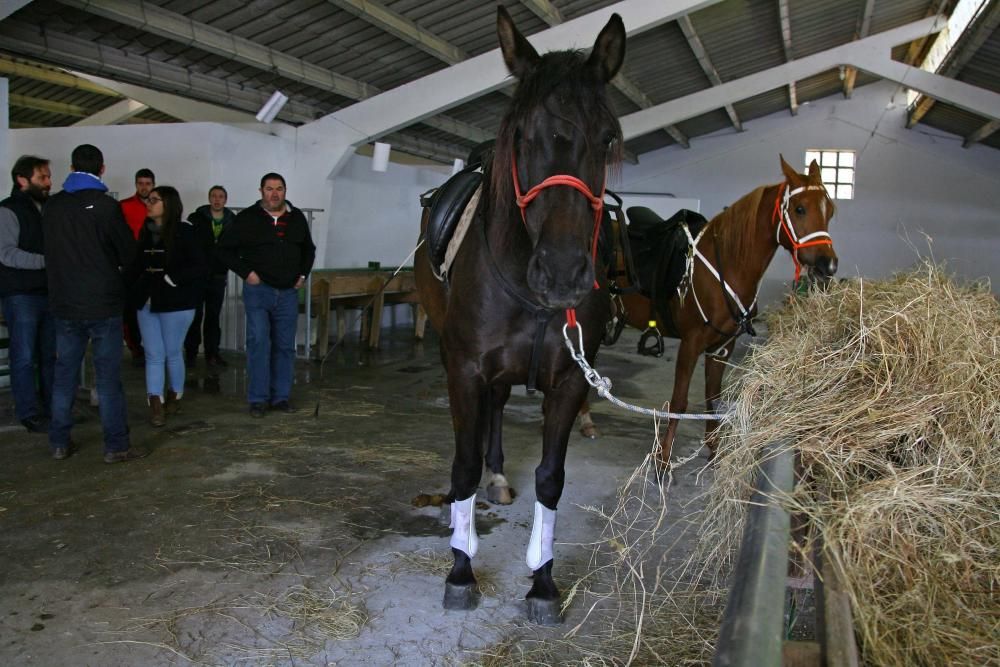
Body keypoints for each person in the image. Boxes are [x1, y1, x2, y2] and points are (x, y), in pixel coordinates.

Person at [42, 144, 145, 463]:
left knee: (64, 375)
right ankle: (116, 446)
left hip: (65, 303)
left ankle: (59, 442)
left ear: (71, 168)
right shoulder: (105, 206)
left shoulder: (53, 206)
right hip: (102, 303)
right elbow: (128, 253)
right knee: (107, 378)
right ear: (102, 169)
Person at [216, 172, 315, 418]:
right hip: (259, 291)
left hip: (288, 294)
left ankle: (280, 397)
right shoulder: (247, 219)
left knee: (284, 346)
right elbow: (224, 250)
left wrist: (303, 275)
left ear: (285, 190)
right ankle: (258, 399)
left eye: (279, 188)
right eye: (269, 189)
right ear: (261, 191)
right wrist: (246, 273)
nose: (274, 193)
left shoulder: (297, 218)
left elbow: (308, 250)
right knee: (259, 342)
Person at [127, 186, 208, 426]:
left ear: (168, 205)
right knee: (153, 354)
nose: (149, 204)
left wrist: (173, 278)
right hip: (147, 302)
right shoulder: (146, 231)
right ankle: (155, 402)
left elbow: (200, 266)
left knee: (172, 351)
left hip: (176, 303)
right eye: (148, 200)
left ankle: (175, 394)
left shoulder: (185, 232)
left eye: (154, 200)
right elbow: (136, 264)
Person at [0, 155, 56, 434]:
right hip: (21, 294)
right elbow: (7, 253)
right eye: (42, 177)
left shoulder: (47, 209)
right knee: (23, 357)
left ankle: (51, 408)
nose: (48, 182)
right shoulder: (8, 210)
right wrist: (48, 261)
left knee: (49, 355)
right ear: (22, 180)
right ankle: (29, 412)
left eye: (48, 176)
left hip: (49, 292)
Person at [184, 185, 235, 368]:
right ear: (209, 198)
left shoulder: (232, 221)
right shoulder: (196, 218)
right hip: (198, 275)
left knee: (213, 316)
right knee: (195, 316)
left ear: (225, 199)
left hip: (218, 275)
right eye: (213, 196)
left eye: (220, 196)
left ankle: (212, 353)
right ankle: (190, 352)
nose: (217, 199)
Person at [119, 168, 156, 366]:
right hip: (131, 265)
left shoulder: (159, 206)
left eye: (147, 183)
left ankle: (153, 348)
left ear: (153, 185)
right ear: (136, 184)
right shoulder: (124, 206)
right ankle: (135, 347)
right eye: (140, 183)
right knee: (130, 309)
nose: (144, 187)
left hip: (155, 264)